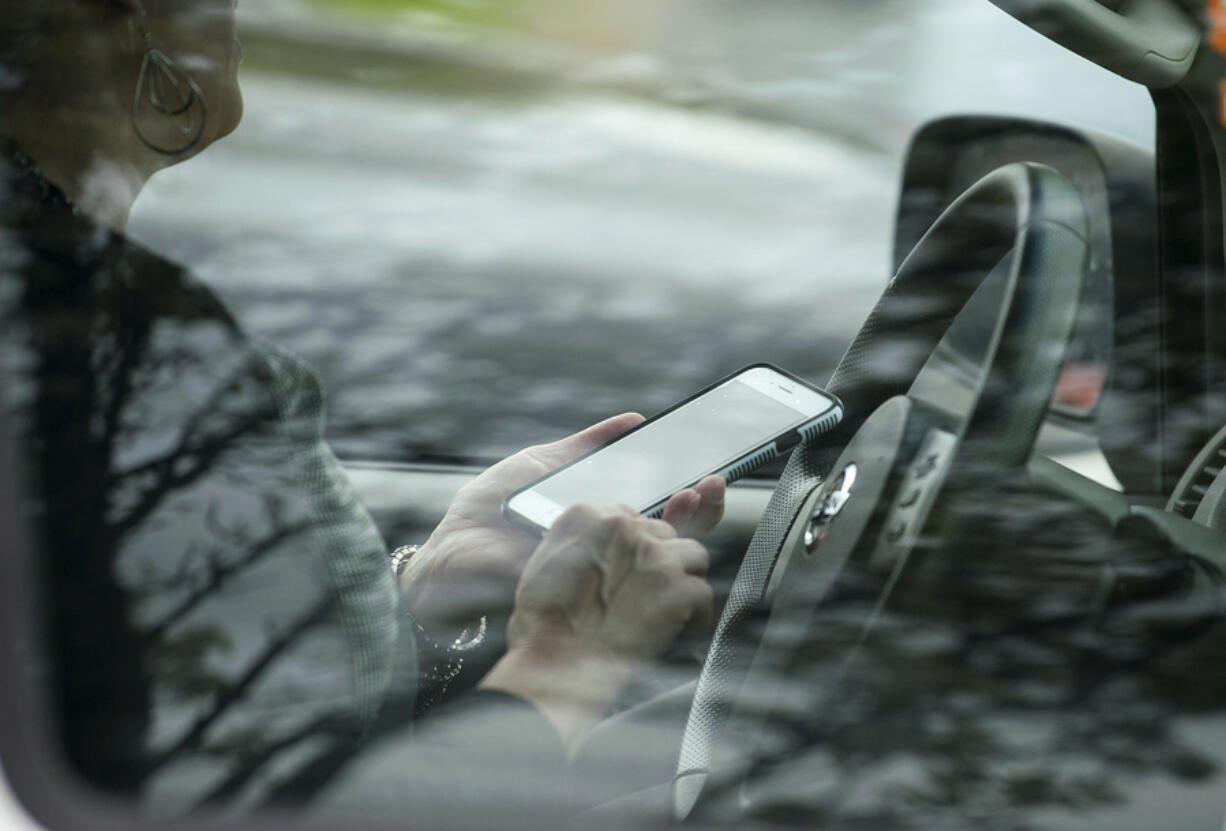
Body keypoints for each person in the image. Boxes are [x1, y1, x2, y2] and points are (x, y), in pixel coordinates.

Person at [0, 0, 725, 819]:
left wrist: (423, 592)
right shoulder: (112, 356)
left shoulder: (96, 331)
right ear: (119, 18)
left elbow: (191, 684)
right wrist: (567, 663)